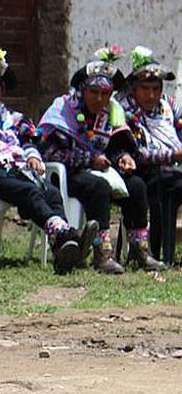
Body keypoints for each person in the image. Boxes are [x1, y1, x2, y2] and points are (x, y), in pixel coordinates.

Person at [0, 46, 93, 273]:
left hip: (15, 171)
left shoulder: (10, 118)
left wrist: (32, 157)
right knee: (28, 192)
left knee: (51, 192)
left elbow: (28, 144)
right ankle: (64, 235)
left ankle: (62, 249)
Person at [39, 46, 164, 273]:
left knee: (136, 185)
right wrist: (89, 159)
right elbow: (48, 152)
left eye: (105, 94)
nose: (100, 99)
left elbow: (115, 148)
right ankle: (102, 252)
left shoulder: (111, 113)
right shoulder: (63, 108)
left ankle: (139, 249)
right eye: (94, 92)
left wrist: (124, 158)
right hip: (69, 175)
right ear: (83, 90)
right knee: (98, 186)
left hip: (101, 171)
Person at [117, 46, 182, 264]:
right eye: (145, 88)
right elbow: (138, 153)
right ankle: (157, 252)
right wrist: (174, 155)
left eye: (156, 89)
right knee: (163, 186)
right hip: (144, 171)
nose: (151, 95)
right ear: (134, 88)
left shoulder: (166, 106)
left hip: (175, 168)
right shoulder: (124, 111)